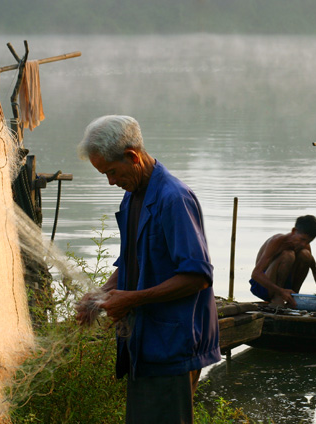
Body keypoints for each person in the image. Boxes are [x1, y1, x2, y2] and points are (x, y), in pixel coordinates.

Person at [75, 115, 221, 424]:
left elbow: (197, 277)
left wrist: (130, 299)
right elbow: (130, 262)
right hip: (144, 341)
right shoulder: (133, 196)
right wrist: (100, 296)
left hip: (173, 344)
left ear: (132, 156)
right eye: (104, 174)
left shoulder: (173, 199)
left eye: (112, 172)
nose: (111, 182)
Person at [249, 215, 316, 307]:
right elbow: (256, 274)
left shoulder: (304, 246)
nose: (304, 244)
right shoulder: (276, 242)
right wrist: (280, 291)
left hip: (285, 288)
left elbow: (314, 268)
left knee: (306, 255)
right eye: (302, 239)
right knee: (288, 255)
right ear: (294, 231)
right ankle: (278, 297)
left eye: (308, 242)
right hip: (263, 286)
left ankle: (294, 296)